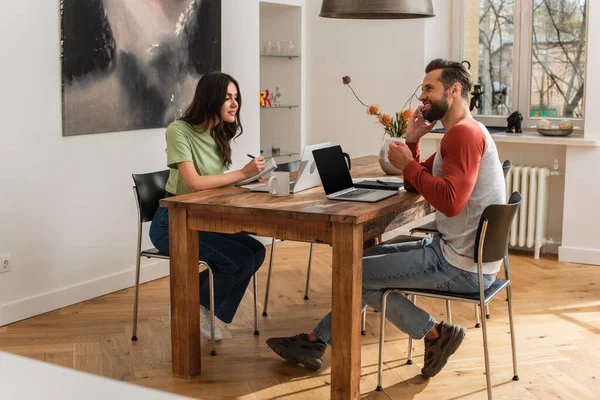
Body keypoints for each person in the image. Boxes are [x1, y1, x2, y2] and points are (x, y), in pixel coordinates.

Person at [266, 59, 506, 378]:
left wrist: (408, 163)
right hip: (461, 256)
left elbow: (449, 202)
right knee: (359, 263)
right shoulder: (462, 132)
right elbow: (415, 183)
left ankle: (434, 333)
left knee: (355, 272)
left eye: (429, 89)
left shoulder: (462, 136)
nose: (422, 96)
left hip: (459, 266)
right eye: (423, 89)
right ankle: (315, 342)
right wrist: (413, 141)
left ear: (455, 90)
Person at [150, 72, 267, 341]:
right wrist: (240, 173)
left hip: (206, 219)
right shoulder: (178, 130)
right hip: (173, 223)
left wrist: (247, 179)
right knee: (237, 259)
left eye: (236, 97)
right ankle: (195, 306)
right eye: (227, 97)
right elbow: (194, 183)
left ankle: (199, 304)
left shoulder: (218, 134)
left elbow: (215, 186)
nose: (234, 103)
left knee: (256, 252)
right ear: (209, 98)